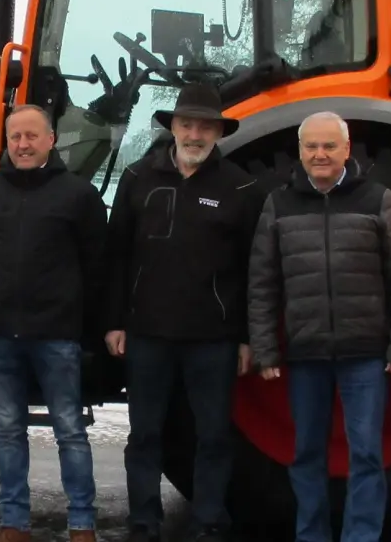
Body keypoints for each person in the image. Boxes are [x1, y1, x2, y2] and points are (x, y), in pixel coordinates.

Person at [249, 111, 391, 542]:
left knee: (366, 452)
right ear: (300, 151)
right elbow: (262, 283)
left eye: (329, 146)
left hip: (364, 354)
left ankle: (361, 536)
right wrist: (267, 349)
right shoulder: (279, 204)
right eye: (311, 147)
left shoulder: (377, 199)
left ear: (347, 150)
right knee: (306, 454)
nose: (320, 154)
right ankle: (312, 535)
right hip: (305, 354)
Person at [102, 82, 262, 542]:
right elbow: (116, 256)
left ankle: (210, 520)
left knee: (213, 436)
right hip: (148, 334)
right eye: (187, 124)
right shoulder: (137, 178)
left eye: (204, 127)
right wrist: (115, 321)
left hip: (212, 338)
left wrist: (248, 336)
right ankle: (143, 521)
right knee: (145, 435)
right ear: (173, 127)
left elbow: (254, 267)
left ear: (217, 132)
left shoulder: (241, 186)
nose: (195, 134)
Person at [0, 104, 109, 542]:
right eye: (15, 138)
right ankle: (13, 522)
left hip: (57, 335)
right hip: (0, 334)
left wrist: (86, 325)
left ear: (51, 140)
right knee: (8, 430)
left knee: (70, 430)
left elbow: (95, 265)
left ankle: (82, 522)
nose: (23, 145)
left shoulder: (78, 195)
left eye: (31, 136)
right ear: (7, 142)